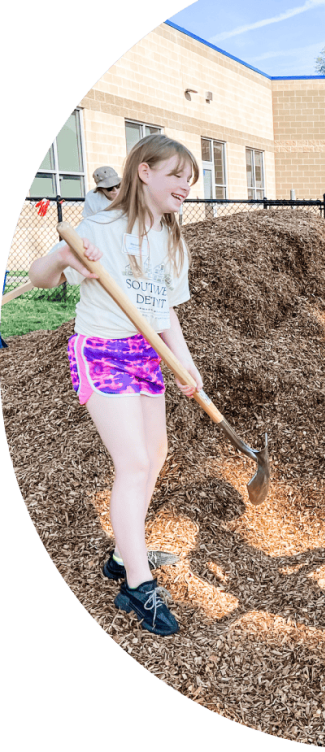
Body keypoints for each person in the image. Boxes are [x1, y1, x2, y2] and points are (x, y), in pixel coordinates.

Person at [28, 135, 202, 636]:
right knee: (134, 462)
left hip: (147, 351)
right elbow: (41, 274)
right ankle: (137, 585)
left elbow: (164, 311)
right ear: (144, 172)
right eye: (176, 175)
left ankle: (124, 553)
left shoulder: (172, 239)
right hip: (102, 350)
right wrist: (63, 259)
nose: (185, 185)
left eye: (190, 179)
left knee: (157, 452)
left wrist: (185, 366)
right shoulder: (101, 226)